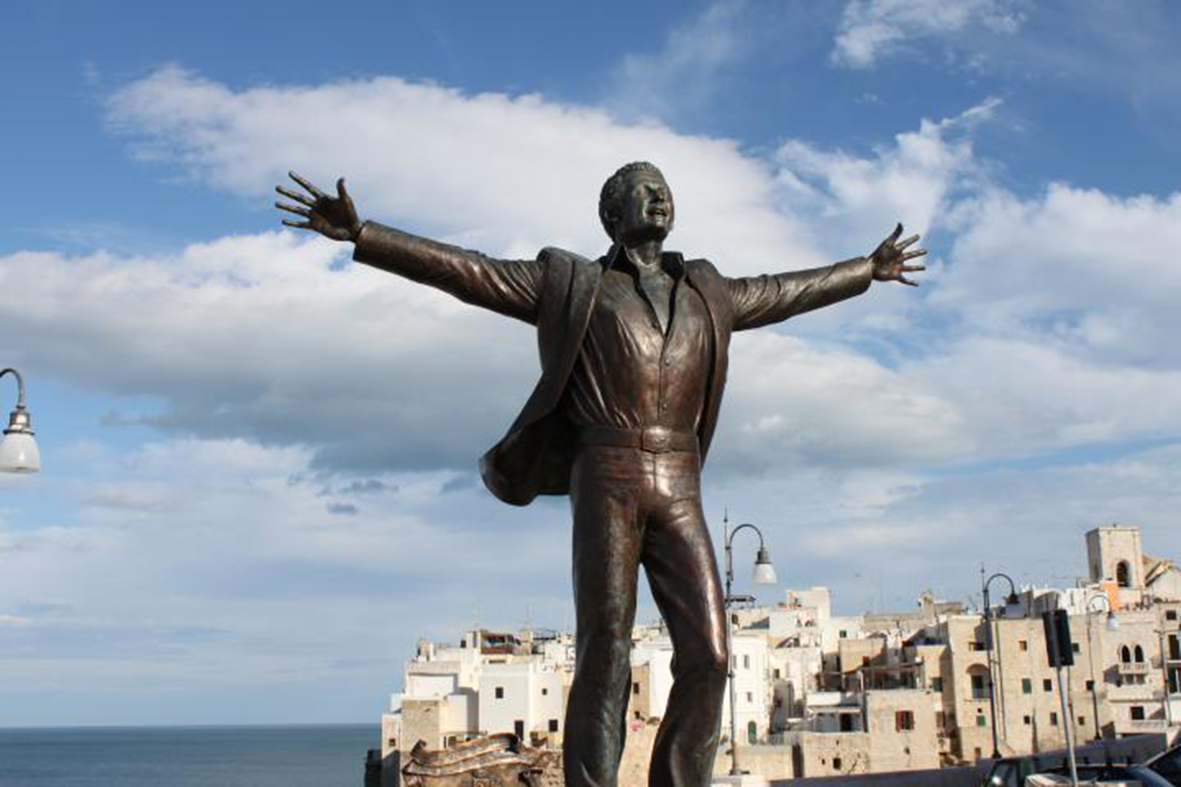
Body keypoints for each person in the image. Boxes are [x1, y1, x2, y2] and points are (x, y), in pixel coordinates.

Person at [276, 162, 924, 787]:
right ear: (612, 214)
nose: (658, 197)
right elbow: (471, 273)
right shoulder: (572, 282)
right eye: (642, 190)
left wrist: (865, 269)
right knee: (605, 650)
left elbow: (784, 292)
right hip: (606, 474)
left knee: (710, 653)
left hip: (679, 479)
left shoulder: (707, 290)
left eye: (664, 188)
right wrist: (367, 235)